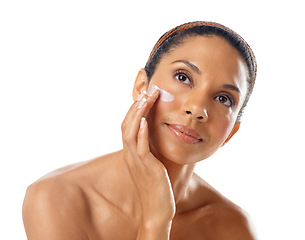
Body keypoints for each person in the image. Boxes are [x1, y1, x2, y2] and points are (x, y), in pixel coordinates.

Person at [23, 21, 257, 239]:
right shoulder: (56, 198)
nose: (197, 109)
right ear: (141, 86)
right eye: (183, 77)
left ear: (231, 132)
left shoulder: (233, 228)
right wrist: (156, 219)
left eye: (223, 99)